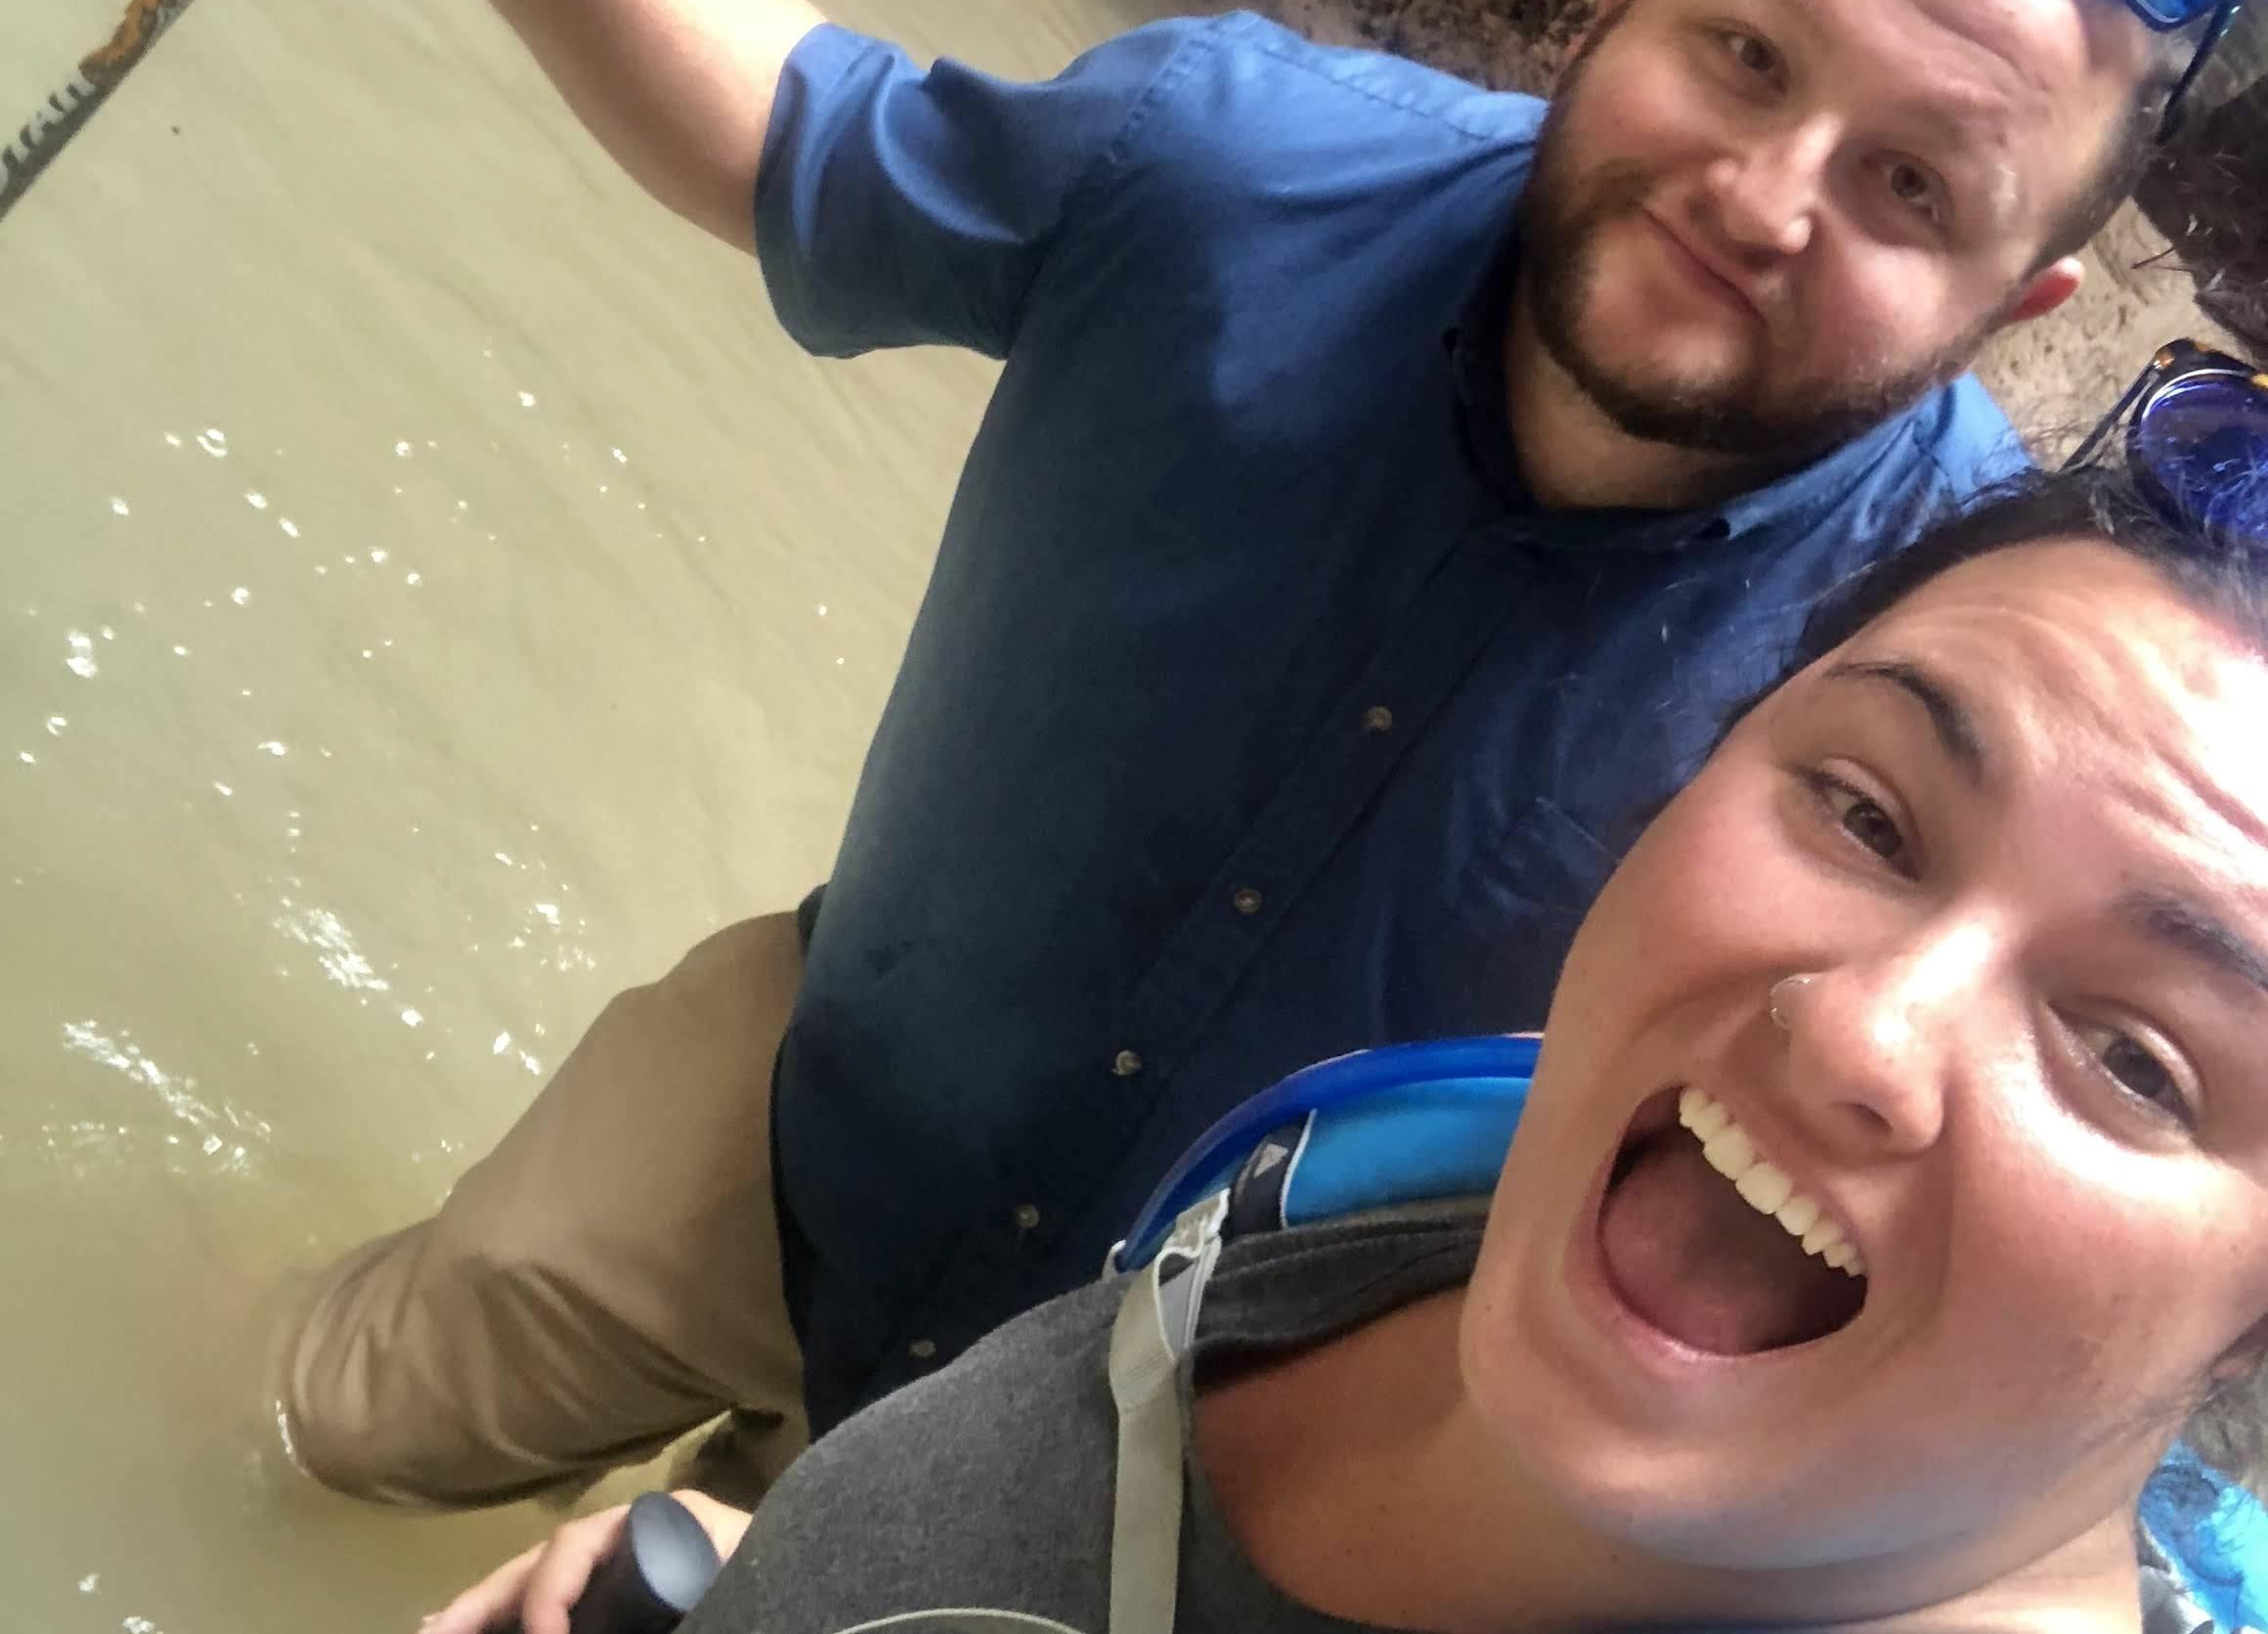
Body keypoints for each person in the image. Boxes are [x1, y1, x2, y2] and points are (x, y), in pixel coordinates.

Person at [264, 0, 2252, 1505]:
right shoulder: (1236, 170)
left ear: (2022, 300)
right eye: (1745, 54)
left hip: (1184, 1435)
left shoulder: (1940, 665)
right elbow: (808, 138)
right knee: (302, 1436)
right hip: (803, 1102)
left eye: (1908, 185)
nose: (1764, 191)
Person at [426, 446, 2268, 1634]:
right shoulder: (1430, 1161)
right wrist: (800, 1565)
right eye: (1866, 815)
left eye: (2137, 1059)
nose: (1864, 1031)